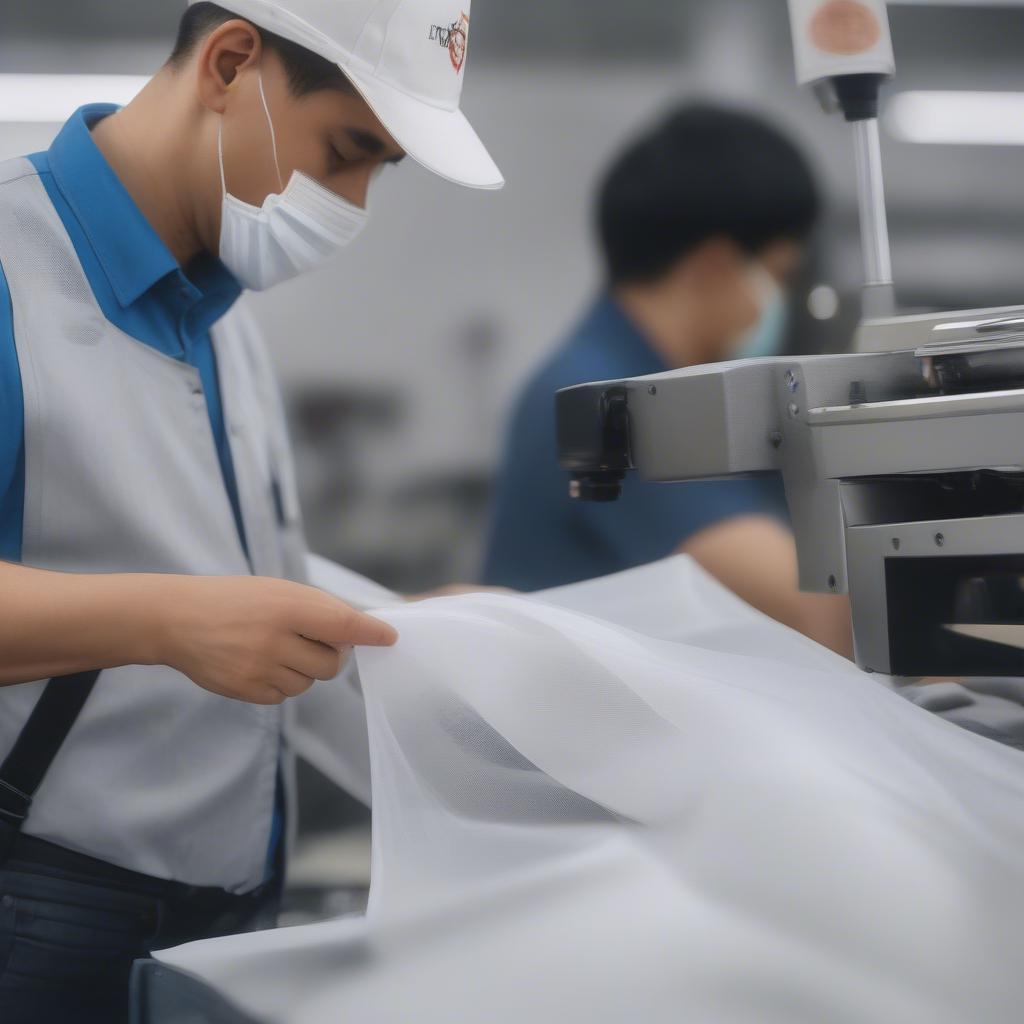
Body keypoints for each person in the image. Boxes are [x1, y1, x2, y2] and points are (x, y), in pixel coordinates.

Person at [0, 1, 502, 1020]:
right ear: (230, 62)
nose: (353, 202)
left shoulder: (222, 317)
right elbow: (197, 609)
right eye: (348, 150)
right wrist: (166, 622)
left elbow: (251, 587)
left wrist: (416, 637)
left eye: (379, 168)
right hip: (43, 911)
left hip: (224, 919)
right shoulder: (13, 272)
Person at [483, 104, 851, 656]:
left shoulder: (622, 378)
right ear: (715, 266)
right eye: (778, 275)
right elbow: (810, 613)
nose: (783, 302)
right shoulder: (614, 401)